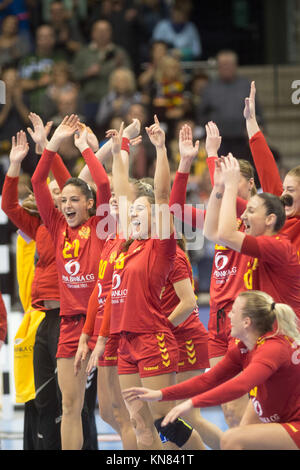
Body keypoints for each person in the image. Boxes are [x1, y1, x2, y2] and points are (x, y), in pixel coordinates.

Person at [87, 116, 203, 450]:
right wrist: (121, 147)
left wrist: (161, 150)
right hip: (126, 343)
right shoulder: (125, 245)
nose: (132, 212)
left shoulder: (160, 247)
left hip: (154, 340)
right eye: (131, 210)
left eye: (141, 209)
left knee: (166, 424)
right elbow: (120, 189)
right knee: (138, 422)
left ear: (156, 217)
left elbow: (163, 194)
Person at [122, 289, 300, 450]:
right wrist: (161, 394)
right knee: (244, 431)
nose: (228, 315)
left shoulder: (272, 348)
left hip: (295, 423)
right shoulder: (243, 349)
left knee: (232, 439)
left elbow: (240, 385)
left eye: (234, 311)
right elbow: (208, 380)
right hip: (284, 416)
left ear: (247, 322)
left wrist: (192, 403)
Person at [31, 115, 111, 450]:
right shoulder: (56, 226)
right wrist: (49, 146)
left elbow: (104, 185)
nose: (66, 206)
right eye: (62, 202)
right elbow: (37, 183)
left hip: (101, 325)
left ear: (90, 204)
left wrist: (85, 150)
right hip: (67, 325)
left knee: (111, 410)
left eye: (74, 200)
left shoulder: (100, 226)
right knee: (69, 407)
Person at [169, 122, 256, 428]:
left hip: (246, 318)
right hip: (218, 323)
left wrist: (213, 157)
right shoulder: (216, 221)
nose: (226, 184)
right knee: (230, 413)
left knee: (251, 410)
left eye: (235, 180)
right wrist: (185, 163)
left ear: (249, 185)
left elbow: (238, 201)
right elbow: (175, 208)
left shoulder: (256, 219)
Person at [203, 153, 300, 318]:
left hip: (282, 333)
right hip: (262, 327)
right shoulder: (262, 241)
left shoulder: (277, 246)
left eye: (251, 211)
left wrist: (230, 186)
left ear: (269, 219)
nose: (244, 216)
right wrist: (219, 185)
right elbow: (210, 231)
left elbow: (226, 234)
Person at [244, 81, 300, 253]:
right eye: (284, 189)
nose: (283, 195)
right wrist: (251, 120)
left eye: (290, 189)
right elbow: (265, 165)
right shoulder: (278, 212)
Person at [196, 50, 263, 165]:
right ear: (218, 67)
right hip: (218, 141)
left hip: (242, 140)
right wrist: (206, 132)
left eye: (229, 64)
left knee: (242, 170)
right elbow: (201, 113)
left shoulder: (245, 85)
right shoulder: (210, 88)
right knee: (219, 170)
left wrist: (259, 127)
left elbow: (256, 110)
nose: (226, 67)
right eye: (223, 65)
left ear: (235, 66)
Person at [72, 19, 131, 125]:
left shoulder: (119, 53)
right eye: (99, 31)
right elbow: (73, 75)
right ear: (93, 33)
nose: (102, 34)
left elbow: (129, 75)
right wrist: (87, 73)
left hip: (113, 101)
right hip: (88, 100)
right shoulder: (83, 53)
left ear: (111, 33)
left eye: (105, 31)